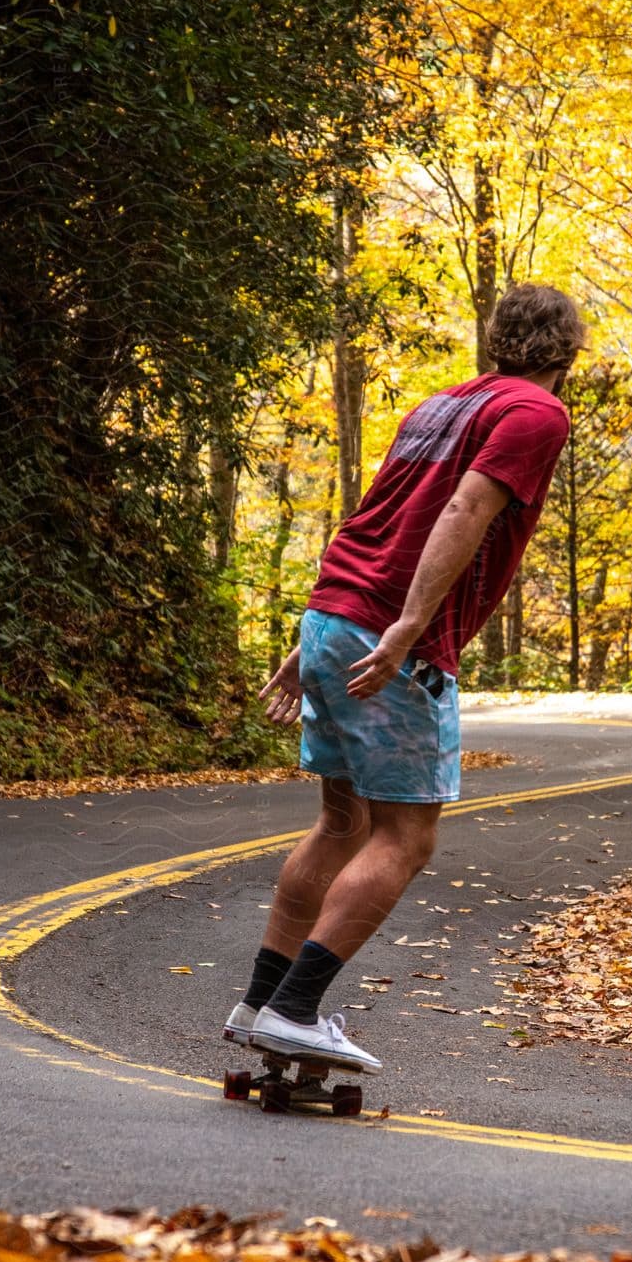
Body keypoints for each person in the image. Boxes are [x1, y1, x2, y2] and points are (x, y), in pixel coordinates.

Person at [222, 282, 585, 1075]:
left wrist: (313, 627)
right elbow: (464, 511)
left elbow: (371, 512)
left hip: (337, 614)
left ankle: (260, 1001)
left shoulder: (439, 407)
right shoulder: (536, 414)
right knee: (405, 838)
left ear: (497, 341)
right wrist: (410, 627)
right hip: (391, 634)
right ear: (567, 352)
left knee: (341, 824)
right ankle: (293, 1011)